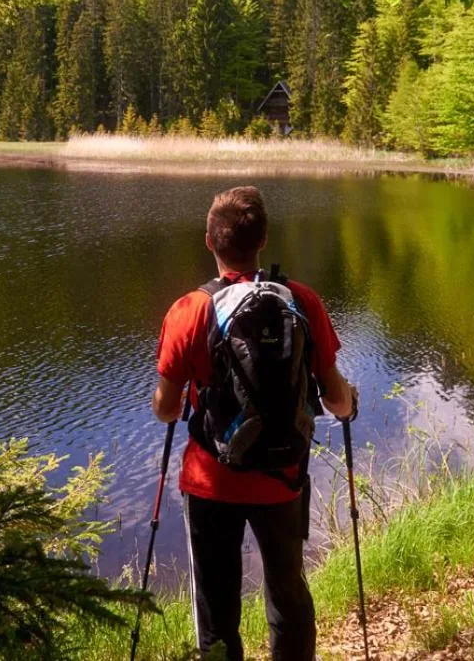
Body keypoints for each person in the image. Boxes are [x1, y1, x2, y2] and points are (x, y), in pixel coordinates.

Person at [152, 185, 357, 661]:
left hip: (209, 483)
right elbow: (336, 397)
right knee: (287, 592)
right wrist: (349, 407)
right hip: (283, 479)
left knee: (216, 606)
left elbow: (164, 408)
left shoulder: (189, 311)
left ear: (209, 241)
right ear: (263, 240)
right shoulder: (302, 300)